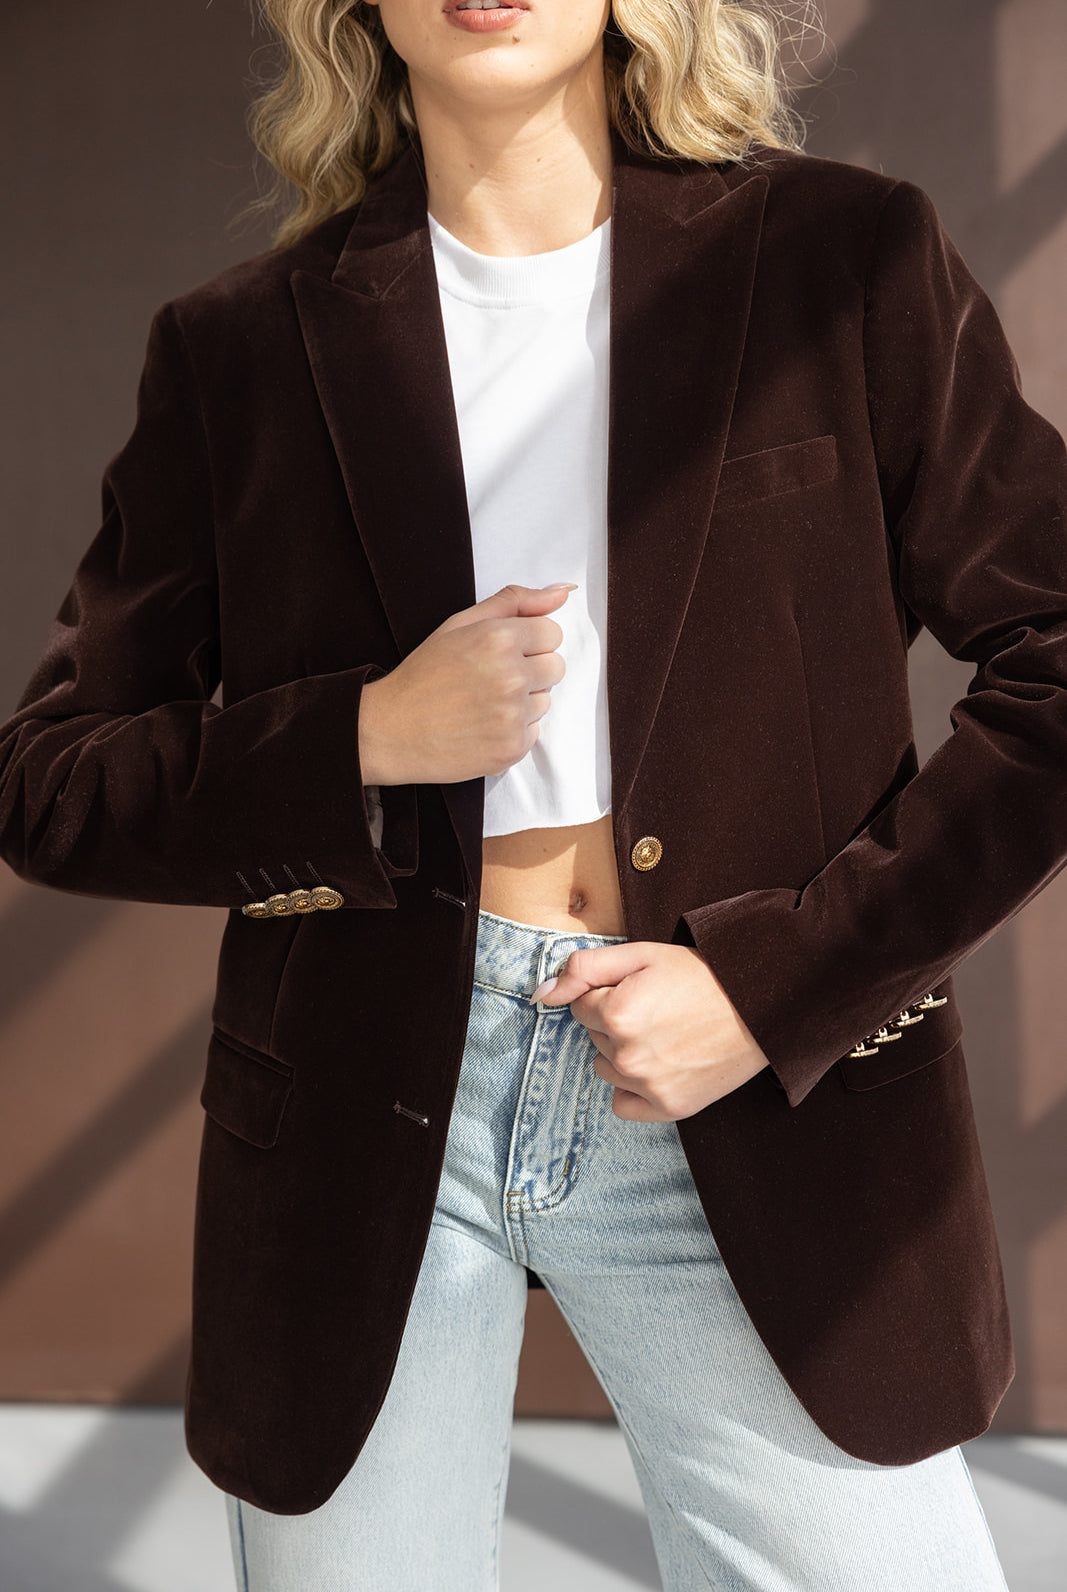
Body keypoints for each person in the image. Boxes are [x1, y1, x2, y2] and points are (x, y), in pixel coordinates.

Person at [3, 0, 1065, 1584]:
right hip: (366, 1100)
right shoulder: (241, 350)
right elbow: (51, 779)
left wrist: (773, 988)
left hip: (730, 1071)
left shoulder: (841, 262)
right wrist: (363, 734)